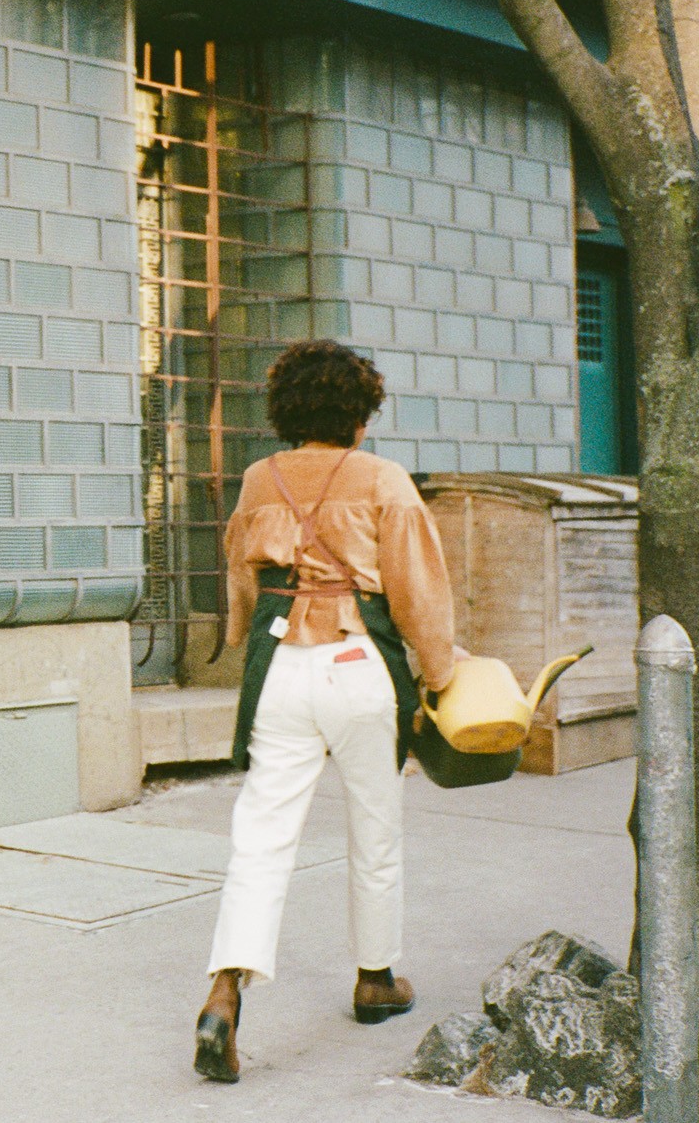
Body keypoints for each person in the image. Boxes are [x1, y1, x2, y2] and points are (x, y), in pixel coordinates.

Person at [193, 339, 459, 1084]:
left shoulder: (259, 479)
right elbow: (417, 591)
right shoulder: (383, 479)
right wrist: (440, 671)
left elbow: (242, 580)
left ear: (287, 411)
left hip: (280, 669)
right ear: (359, 414)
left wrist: (241, 635)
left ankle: (224, 992)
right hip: (358, 666)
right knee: (375, 825)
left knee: (262, 836)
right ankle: (375, 980)